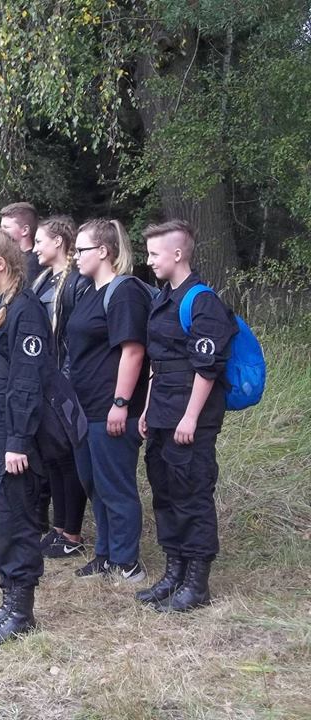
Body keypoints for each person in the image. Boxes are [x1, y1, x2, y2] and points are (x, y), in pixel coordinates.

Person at [138, 220, 238, 612]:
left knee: (191, 493)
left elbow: (207, 368)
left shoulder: (202, 301)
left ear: (178, 254)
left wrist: (191, 417)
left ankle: (196, 583)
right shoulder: (163, 297)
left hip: (189, 417)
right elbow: (157, 362)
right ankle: (174, 572)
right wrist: (147, 410)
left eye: (154, 254)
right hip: (162, 412)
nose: (149, 261)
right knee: (165, 492)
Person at [0, 228, 51, 645]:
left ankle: (22, 610)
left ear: (1, 264)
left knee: (15, 519)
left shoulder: (25, 310)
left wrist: (17, 440)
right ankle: (7, 599)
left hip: (12, 437)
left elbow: (26, 381)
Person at [66, 219, 151, 583]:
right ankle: (105, 555)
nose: (74, 256)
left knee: (115, 486)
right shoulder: (88, 291)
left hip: (110, 408)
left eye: (80, 249)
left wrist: (121, 402)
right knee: (94, 484)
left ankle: (127, 562)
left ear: (103, 251)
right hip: (84, 408)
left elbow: (133, 351)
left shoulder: (125, 292)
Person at [32, 216, 90, 558]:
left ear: (58, 242)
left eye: (40, 241)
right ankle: (57, 528)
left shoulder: (76, 282)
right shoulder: (43, 280)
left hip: (63, 382)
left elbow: (73, 336)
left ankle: (72, 532)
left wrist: (64, 382)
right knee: (53, 456)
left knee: (68, 457)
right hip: (45, 379)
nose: (35, 248)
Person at [0, 202, 43, 282]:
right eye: (1, 227)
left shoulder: (33, 264)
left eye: (6, 227)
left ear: (25, 230)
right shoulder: (12, 261)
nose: (1, 232)